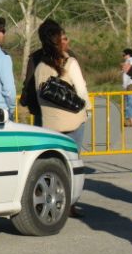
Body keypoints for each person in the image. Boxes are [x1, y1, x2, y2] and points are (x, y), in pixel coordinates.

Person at [33, 20, 90, 217]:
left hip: (50, 123)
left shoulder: (39, 66)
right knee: (73, 163)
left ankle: (50, 200)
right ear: (58, 40)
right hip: (73, 120)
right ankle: (71, 204)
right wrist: (87, 110)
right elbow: (81, 90)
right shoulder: (69, 62)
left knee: (51, 164)